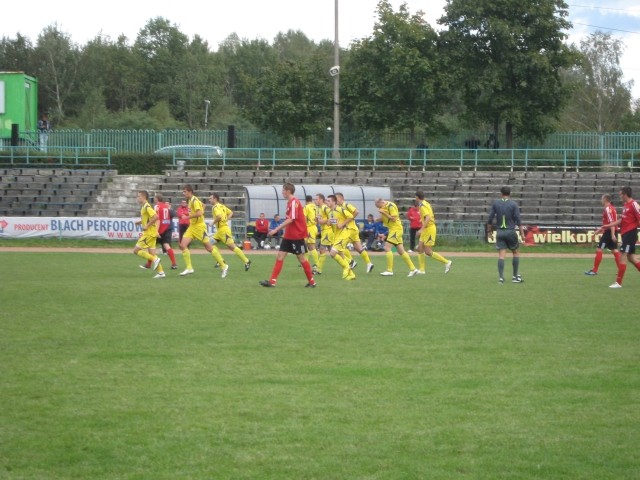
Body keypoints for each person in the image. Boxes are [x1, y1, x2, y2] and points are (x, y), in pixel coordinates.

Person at [259, 183, 317, 288]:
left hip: (296, 235)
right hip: (289, 235)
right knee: (280, 256)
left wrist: (275, 229)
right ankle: (272, 282)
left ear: (288, 191)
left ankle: (312, 282)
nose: (282, 192)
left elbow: (291, 219)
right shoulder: (290, 203)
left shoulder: (295, 202)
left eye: (283, 190)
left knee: (301, 258)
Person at [178, 184, 224, 277]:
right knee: (183, 245)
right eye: (183, 192)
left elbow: (200, 213)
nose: (184, 193)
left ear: (190, 192)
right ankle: (189, 268)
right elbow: (203, 205)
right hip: (192, 226)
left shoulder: (194, 200)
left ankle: (224, 265)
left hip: (199, 227)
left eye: (185, 191)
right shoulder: (191, 200)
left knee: (209, 248)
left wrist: (187, 216)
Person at [602, 186, 640, 288]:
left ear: (625, 194)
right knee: (631, 258)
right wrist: (608, 225)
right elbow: (621, 221)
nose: (620, 196)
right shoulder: (626, 205)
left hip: (630, 233)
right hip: (626, 233)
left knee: (623, 255)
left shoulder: (634, 204)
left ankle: (618, 283)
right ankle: (618, 282)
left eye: (621, 194)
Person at [486, 186, 525, 284]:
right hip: (510, 231)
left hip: (500, 232)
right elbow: (518, 219)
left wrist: (489, 231)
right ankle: (515, 277)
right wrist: (522, 233)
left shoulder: (496, 203)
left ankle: (501, 278)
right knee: (515, 252)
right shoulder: (513, 204)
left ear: (501, 193)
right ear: (510, 193)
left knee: (501, 256)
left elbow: (490, 218)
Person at [375, 198, 419, 276]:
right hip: (394, 229)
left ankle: (389, 270)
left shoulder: (391, 206)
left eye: (378, 206)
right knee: (401, 251)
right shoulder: (383, 207)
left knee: (387, 248)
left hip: (396, 229)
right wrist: (378, 219)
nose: (379, 208)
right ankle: (413, 269)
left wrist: (384, 213)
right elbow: (385, 218)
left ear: (381, 202)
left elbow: (394, 219)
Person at [209, 193, 251, 275]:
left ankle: (247, 261)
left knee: (232, 247)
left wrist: (212, 223)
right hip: (220, 231)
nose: (209, 200)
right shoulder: (222, 206)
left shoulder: (215, 207)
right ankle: (220, 261)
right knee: (209, 243)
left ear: (215, 199)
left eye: (210, 198)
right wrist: (226, 219)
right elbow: (231, 212)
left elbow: (219, 217)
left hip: (223, 230)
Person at [334, 192, 374, 273]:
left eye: (336, 199)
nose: (335, 201)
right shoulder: (339, 207)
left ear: (341, 198)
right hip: (353, 229)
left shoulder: (346, 205)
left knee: (338, 247)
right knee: (359, 248)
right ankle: (369, 263)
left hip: (349, 229)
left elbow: (356, 211)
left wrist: (347, 221)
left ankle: (351, 262)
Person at [415, 190, 453, 275]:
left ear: (417, 197)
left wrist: (421, 229)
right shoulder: (426, 203)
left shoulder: (423, 206)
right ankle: (422, 269)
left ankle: (446, 262)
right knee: (420, 248)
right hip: (426, 229)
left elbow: (428, 217)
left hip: (429, 229)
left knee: (428, 251)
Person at [585, 194, 621, 276]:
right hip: (612, 231)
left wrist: (612, 235)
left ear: (605, 199)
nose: (601, 200)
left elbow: (611, 223)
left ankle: (594, 270)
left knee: (599, 249)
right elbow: (608, 223)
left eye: (602, 198)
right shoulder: (612, 208)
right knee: (614, 250)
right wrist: (599, 230)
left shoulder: (608, 209)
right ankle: (620, 270)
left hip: (609, 232)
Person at [133, 190, 165, 279]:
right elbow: (148, 218)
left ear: (143, 197)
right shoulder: (144, 207)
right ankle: (161, 272)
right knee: (152, 253)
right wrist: (140, 222)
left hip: (149, 234)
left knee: (136, 250)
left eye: (139, 196)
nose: (137, 198)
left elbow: (156, 217)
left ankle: (155, 260)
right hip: (152, 234)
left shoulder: (147, 206)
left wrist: (147, 225)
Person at [141, 193, 178, 270]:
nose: (154, 199)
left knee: (151, 246)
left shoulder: (156, 206)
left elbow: (155, 217)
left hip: (159, 229)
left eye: (154, 198)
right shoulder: (165, 206)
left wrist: (155, 230)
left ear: (157, 199)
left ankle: (149, 264)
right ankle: (174, 263)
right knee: (166, 245)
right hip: (167, 227)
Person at [326, 194, 356, 281]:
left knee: (332, 253)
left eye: (329, 201)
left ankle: (346, 268)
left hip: (344, 234)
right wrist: (328, 222)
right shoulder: (330, 212)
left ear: (334, 202)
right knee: (341, 255)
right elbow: (330, 223)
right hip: (336, 235)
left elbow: (350, 216)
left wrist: (342, 224)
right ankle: (352, 274)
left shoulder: (340, 209)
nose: (327, 202)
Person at [314, 193, 333, 275]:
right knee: (333, 253)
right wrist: (317, 219)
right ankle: (349, 263)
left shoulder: (325, 207)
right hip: (324, 231)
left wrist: (323, 221)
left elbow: (331, 216)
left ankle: (318, 269)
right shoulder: (319, 208)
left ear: (321, 200)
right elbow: (318, 219)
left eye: (317, 199)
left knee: (322, 250)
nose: (316, 200)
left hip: (328, 231)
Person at [303, 195, 320, 271]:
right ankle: (305, 262)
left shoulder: (306, 207)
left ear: (306, 200)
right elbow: (318, 218)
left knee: (311, 246)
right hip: (314, 227)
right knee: (306, 245)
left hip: (309, 228)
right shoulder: (316, 207)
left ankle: (317, 264)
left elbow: (304, 219)